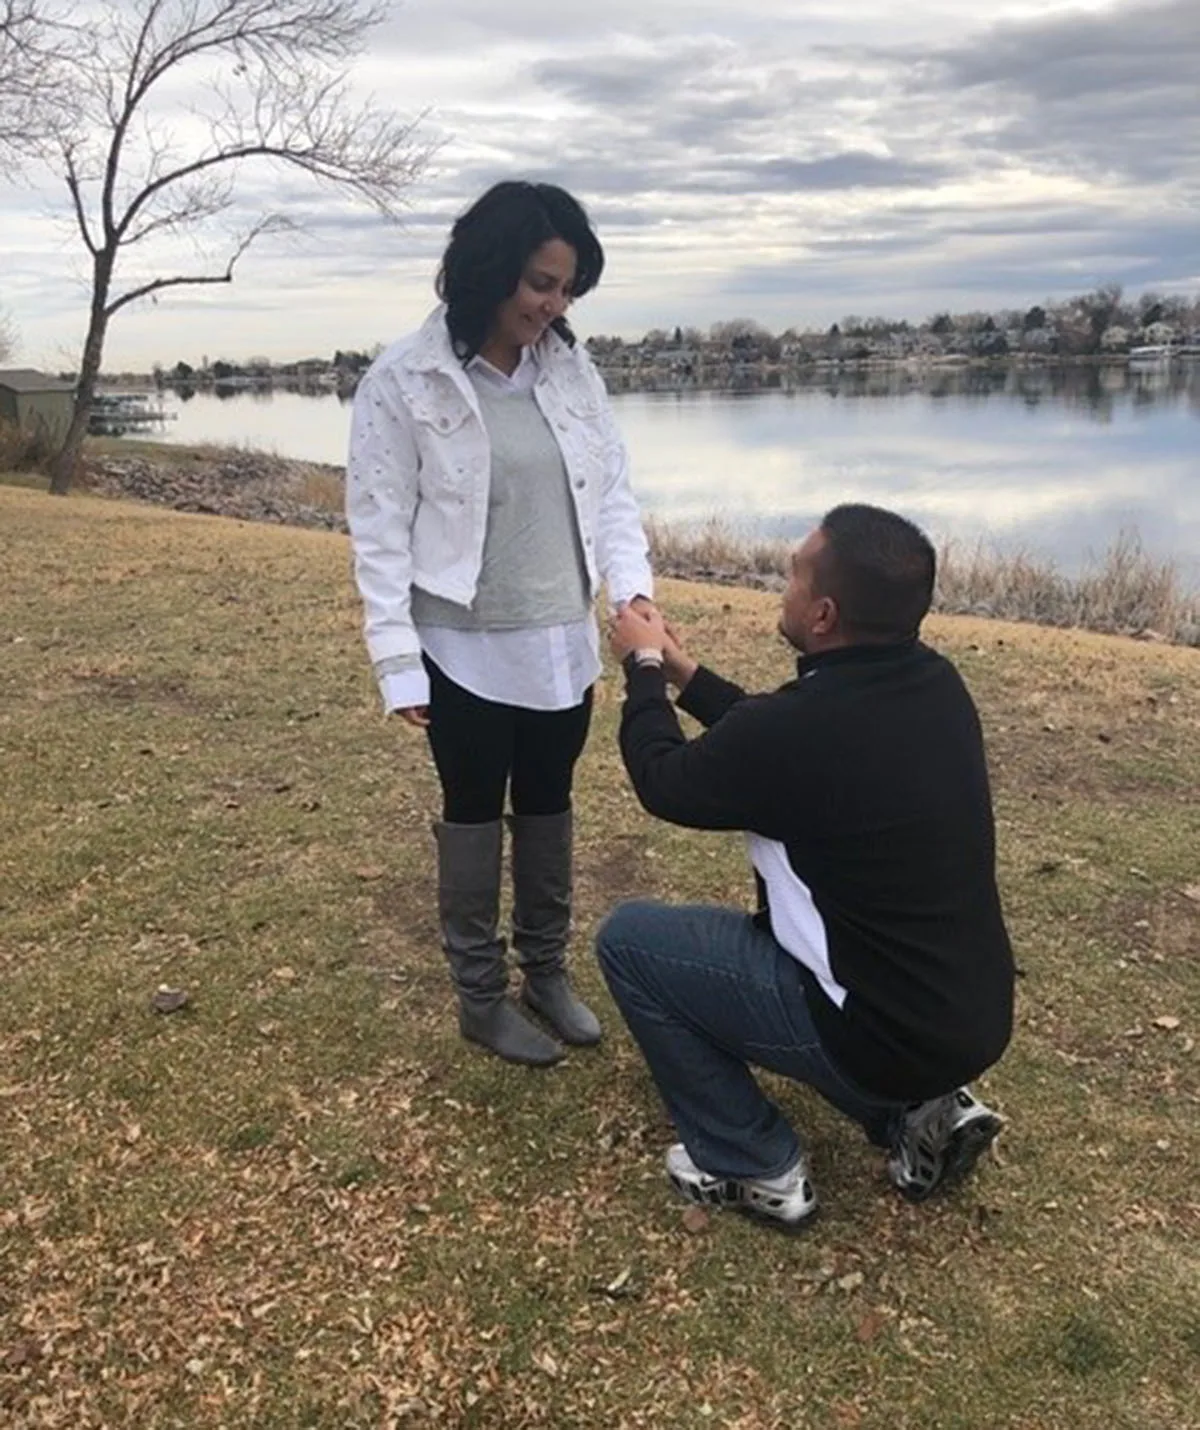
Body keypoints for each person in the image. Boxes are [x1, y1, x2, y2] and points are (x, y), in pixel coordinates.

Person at [600, 503, 1014, 1232]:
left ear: (823, 614)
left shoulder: (796, 731)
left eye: (792, 575)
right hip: (970, 1017)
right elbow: (772, 737)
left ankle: (751, 1162)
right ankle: (923, 1109)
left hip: (874, 1033)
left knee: (629, 943)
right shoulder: (935, 687)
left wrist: (640, 668)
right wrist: (683, 672)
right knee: (871, 1000)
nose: (781, 588)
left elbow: (664, 781)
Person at [347, 181, 653, 1067]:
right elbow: (378, 533)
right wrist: (399, 662)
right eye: (540, 285)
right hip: (462, 649)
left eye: (566, 290)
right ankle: (480, 996)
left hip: (561, 641)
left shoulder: (572, 370)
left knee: (551, 804)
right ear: (488, 270)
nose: (552, 307)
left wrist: (630, 595)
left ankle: (546, 973)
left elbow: (613, 497)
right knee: (476, 812)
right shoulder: (404, 381)